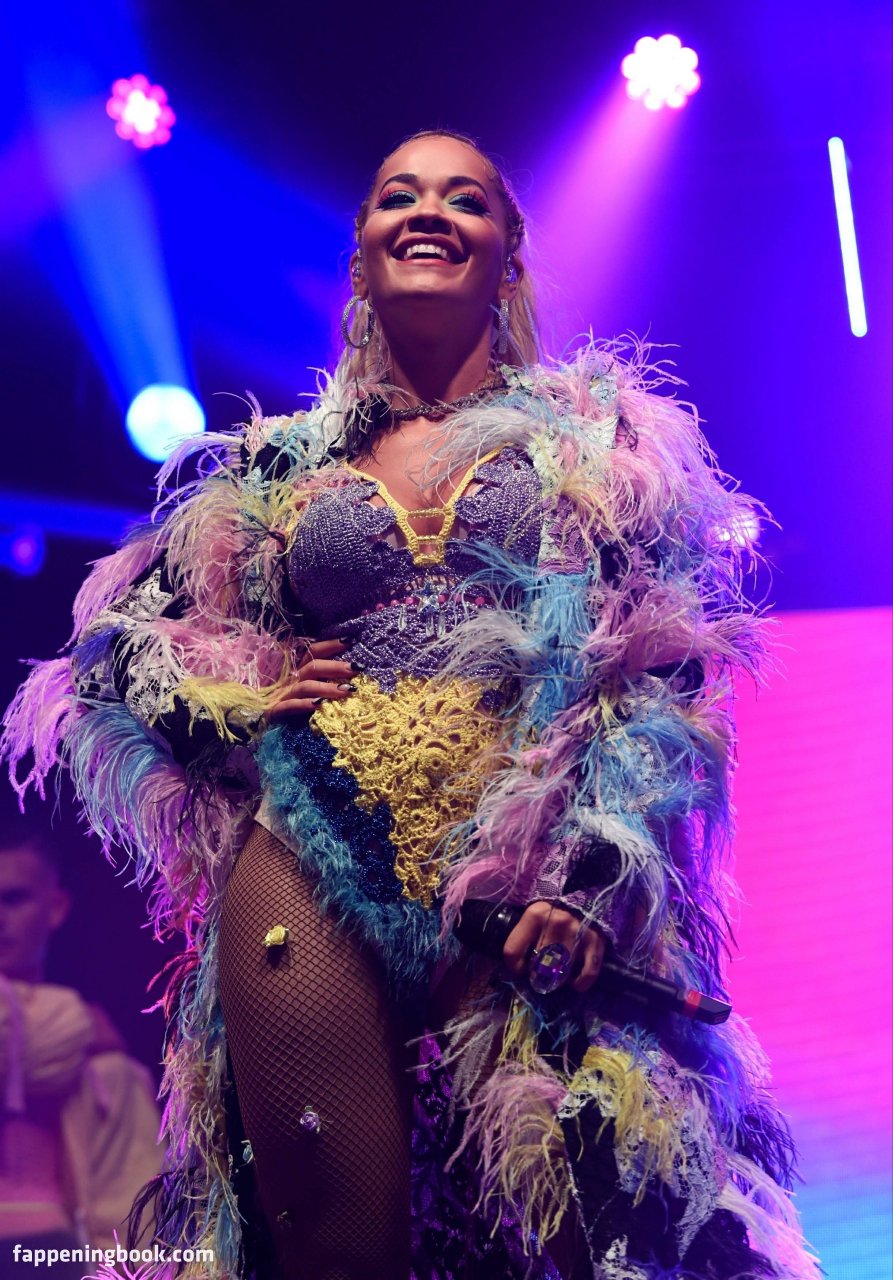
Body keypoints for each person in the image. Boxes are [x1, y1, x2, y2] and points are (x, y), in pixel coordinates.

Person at [1, 130, 821, 1280]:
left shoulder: (602, 445)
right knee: (338, 1248)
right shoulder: (274, 469)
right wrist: (232, 702)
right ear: (363, 252)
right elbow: (110, 647)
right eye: (399, 194)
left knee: (580, 1233)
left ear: (508, 255)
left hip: (526, 869)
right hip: (310, 855)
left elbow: (657, 672)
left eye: (463, 199)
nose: (429, 212)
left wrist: (592, 875)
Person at [0, 822, 162, 1277]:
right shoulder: (89, 1032)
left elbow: (131, 1230)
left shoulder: (106, 1068)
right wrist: (74, 1026)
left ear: (56, 907)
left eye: (13, 899)